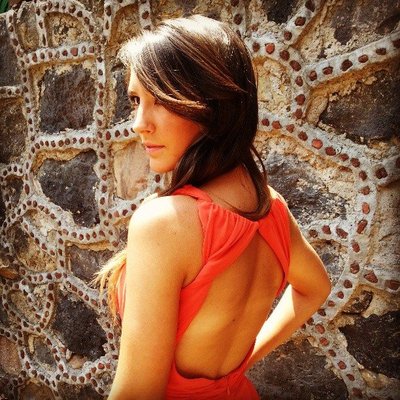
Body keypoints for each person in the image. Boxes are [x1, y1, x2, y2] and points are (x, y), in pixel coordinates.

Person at [95, 14, 331, 400]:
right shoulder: (271, 209)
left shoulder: (163, 223)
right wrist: (240, 366)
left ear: (213, 104)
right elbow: (316, 288)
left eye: (162, 100)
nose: (138, 124)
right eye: (136, 100)